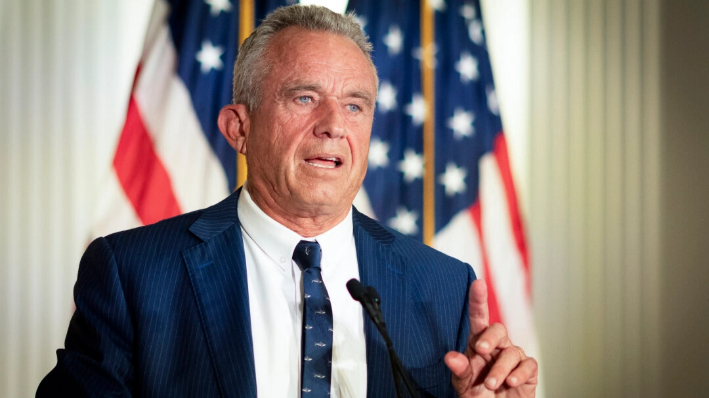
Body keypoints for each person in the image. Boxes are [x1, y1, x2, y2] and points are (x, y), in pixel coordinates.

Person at [37, 5, 537, 398]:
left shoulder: (444, 285)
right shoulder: (133, 274)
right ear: (239, 128)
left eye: (355, 105)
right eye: (303, 97)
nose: (334, 125)